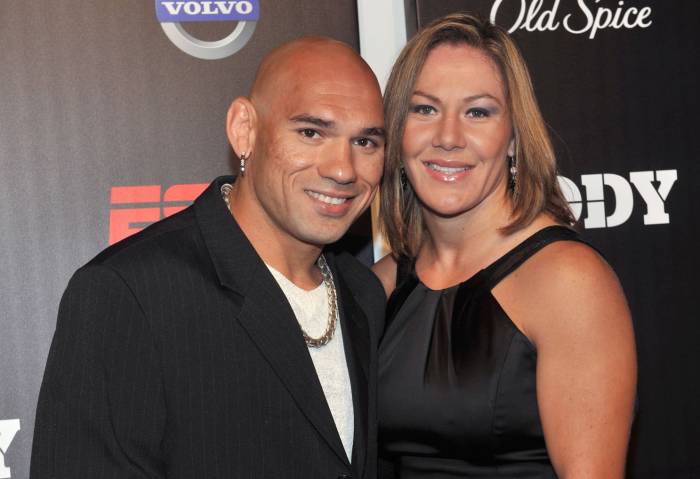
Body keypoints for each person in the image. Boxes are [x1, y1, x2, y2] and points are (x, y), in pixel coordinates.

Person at [31, 37, 386, 479]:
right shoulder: (129, 294)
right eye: (311, 133)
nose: (343, 169)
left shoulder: (362, 294)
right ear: (244, 129)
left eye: (366, 142)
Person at [372, 13, 637, 478]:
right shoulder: (383, 285)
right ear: (396, 129)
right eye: (425, 109)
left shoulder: (569, 282)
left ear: (513, 137)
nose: (448, 137)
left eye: (478, 112)